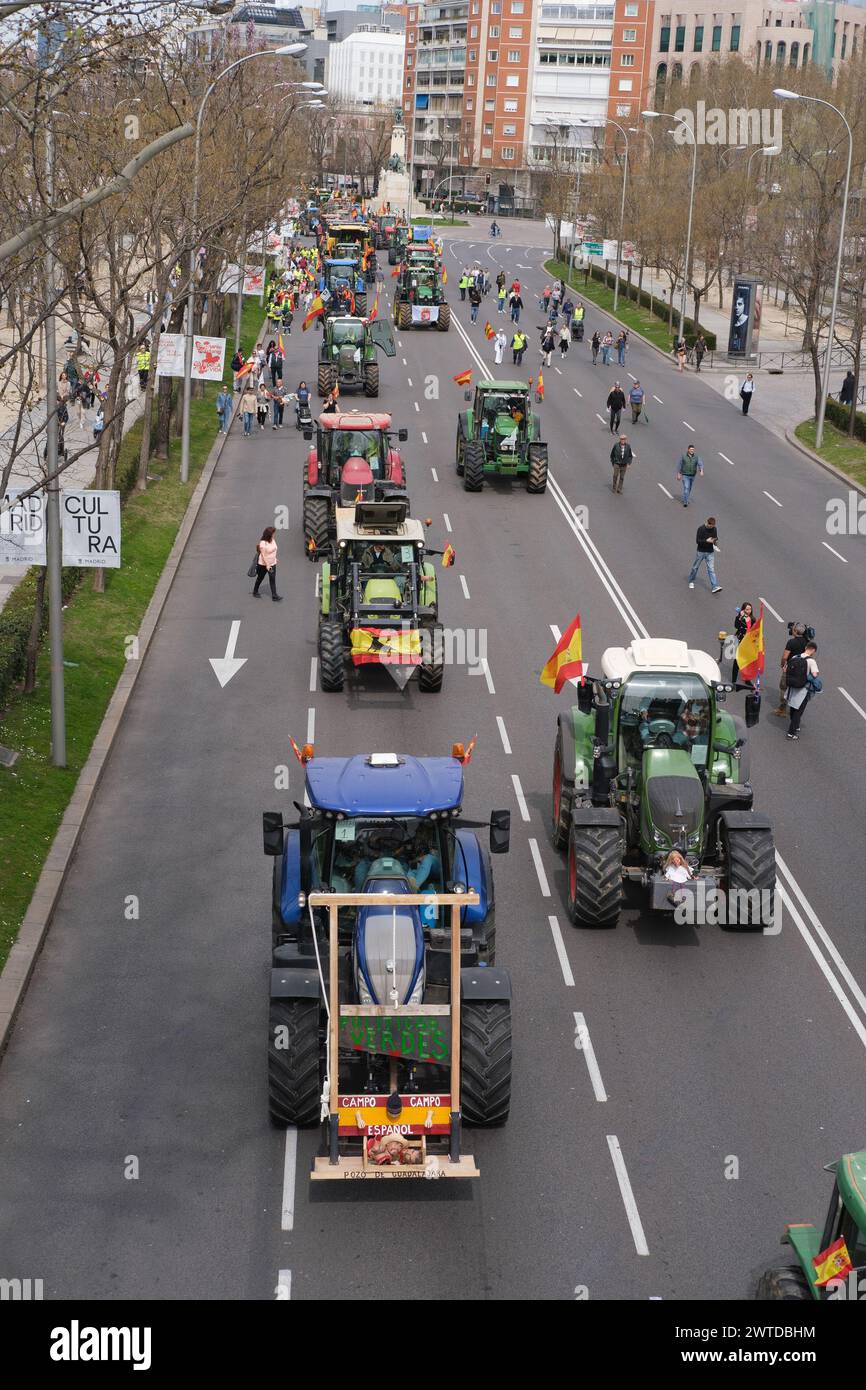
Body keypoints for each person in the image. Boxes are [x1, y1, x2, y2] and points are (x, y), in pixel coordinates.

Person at [785, 642, 819, 741]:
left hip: (792, 686)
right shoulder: (811, 661)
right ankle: (791, 733)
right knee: (798, 711)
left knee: (792, 706)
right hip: (803, 688)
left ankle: (796, 725)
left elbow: (785, 669)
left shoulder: (795, 657)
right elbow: (815, 674)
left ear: (805, 647)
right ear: (813, 650)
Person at [773, 622, 808, 716]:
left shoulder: (792, 642)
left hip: (790, 668)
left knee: (784, 687)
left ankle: (782, 709)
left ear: (795, 631)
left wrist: (783, 665)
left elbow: (785, 657)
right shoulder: (807, 642)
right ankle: (794, 709)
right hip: (801, 670)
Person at [688, 516, 722, 593]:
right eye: (711, 526)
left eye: (713, 526)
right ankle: (691, 581)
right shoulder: (701, 529)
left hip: (710, 552)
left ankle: (714, 586)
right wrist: (706, 541)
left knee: (711, 569)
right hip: (701, 551)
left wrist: (714, 541)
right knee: (695, 567)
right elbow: (698, 541)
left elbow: (716, 537)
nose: (712, 528)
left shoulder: (714, 528)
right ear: (708, 523)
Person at [252, 525, 282, 601]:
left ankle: (274, 596)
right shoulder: (263, 543)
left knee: (272, 579)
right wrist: (267, 565)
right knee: (260, 578)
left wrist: (274, 558)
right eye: (273, 533)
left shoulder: (272, 539)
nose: (274, 534)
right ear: (269, 534)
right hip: (263, 564)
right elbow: (264, 555)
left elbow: (274, 550)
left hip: (272, 563)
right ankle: (255, 591)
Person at [731, 601, 754, 682]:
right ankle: (733, 680)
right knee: (737, 660)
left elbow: (750, 628)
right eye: (747, 609)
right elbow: (736, 626)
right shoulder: (740, 617)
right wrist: (739, 617)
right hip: (739, 640)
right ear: (743, 610)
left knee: (747, 661)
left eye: (750, 609)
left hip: (747, 642)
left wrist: (745, 618)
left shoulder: (752, 619)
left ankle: (747, 679)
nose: (748, 611)